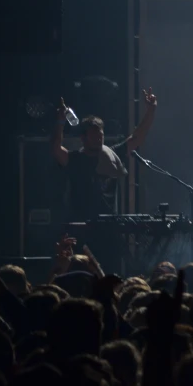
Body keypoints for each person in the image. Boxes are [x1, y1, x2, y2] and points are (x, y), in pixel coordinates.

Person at [51, 88, 158, 269]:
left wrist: (151, 110)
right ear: (83, 138)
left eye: (101, 133)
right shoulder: (76, 159)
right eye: (94, 134)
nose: (99, 137)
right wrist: (60, 121)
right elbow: (56, 149)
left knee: (110, 273)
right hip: (83, 229)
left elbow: (137, 138)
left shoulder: (111, 155)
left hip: (109, 230)